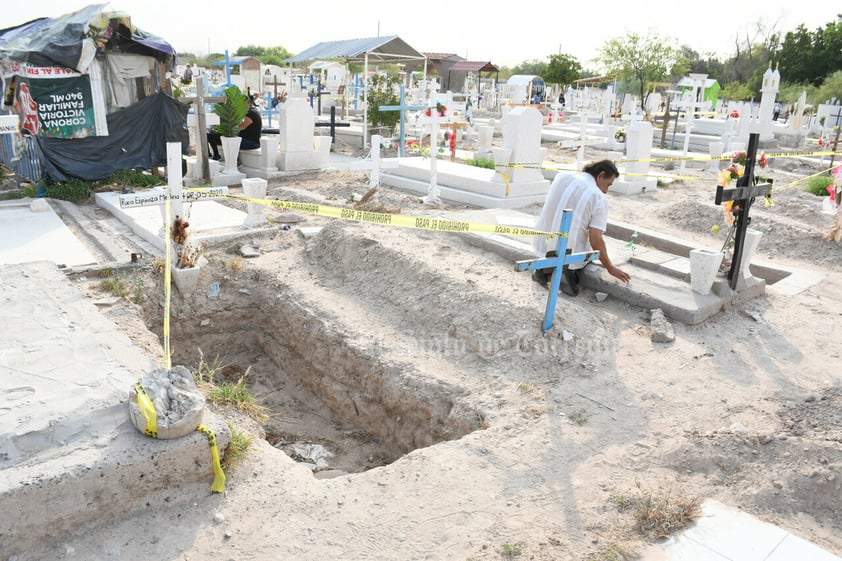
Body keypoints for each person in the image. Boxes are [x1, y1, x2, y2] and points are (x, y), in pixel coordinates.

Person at [532, 159, 631, 296]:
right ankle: (570, 274)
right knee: (589, 252)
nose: (606, 191)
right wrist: (610, 267)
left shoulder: (562, 177)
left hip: (542, 243)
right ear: (601, 175)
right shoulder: (598, 197)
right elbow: (595, 239)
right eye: (608, 185)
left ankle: (542, 271)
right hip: (567, 252)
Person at [207, 94, 262, 160]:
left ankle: (235, 160)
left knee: (230, 140)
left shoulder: (252, 113)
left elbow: (241, 127)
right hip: (241, 138)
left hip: (251, 142)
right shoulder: (245, 112)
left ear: (248, 103)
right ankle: (214, 155)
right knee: (210, 135)